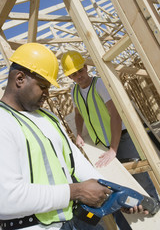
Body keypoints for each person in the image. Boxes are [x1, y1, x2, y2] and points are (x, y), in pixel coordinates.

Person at [0, 43, 147, 230]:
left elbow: (74, 160)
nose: (47, 94)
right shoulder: (3, 121)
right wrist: (77, 191)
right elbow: (6, 198)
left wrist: (111, 194)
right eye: (43, 86)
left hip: (73, 219)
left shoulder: (48, 117)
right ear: (20, 79)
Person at [61, 50, 159, 229]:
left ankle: (155, 209)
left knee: (140, 178)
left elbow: (115, 115)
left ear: (86, 67)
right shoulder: (74, 91)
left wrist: (113, 149)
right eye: (73, 74)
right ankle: (128, 221)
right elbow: (78, 114)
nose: (78, 76)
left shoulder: (99, 85)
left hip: (122, 139)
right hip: (102, 145)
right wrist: (80, 134)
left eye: (80, 71)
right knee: (116, 185)